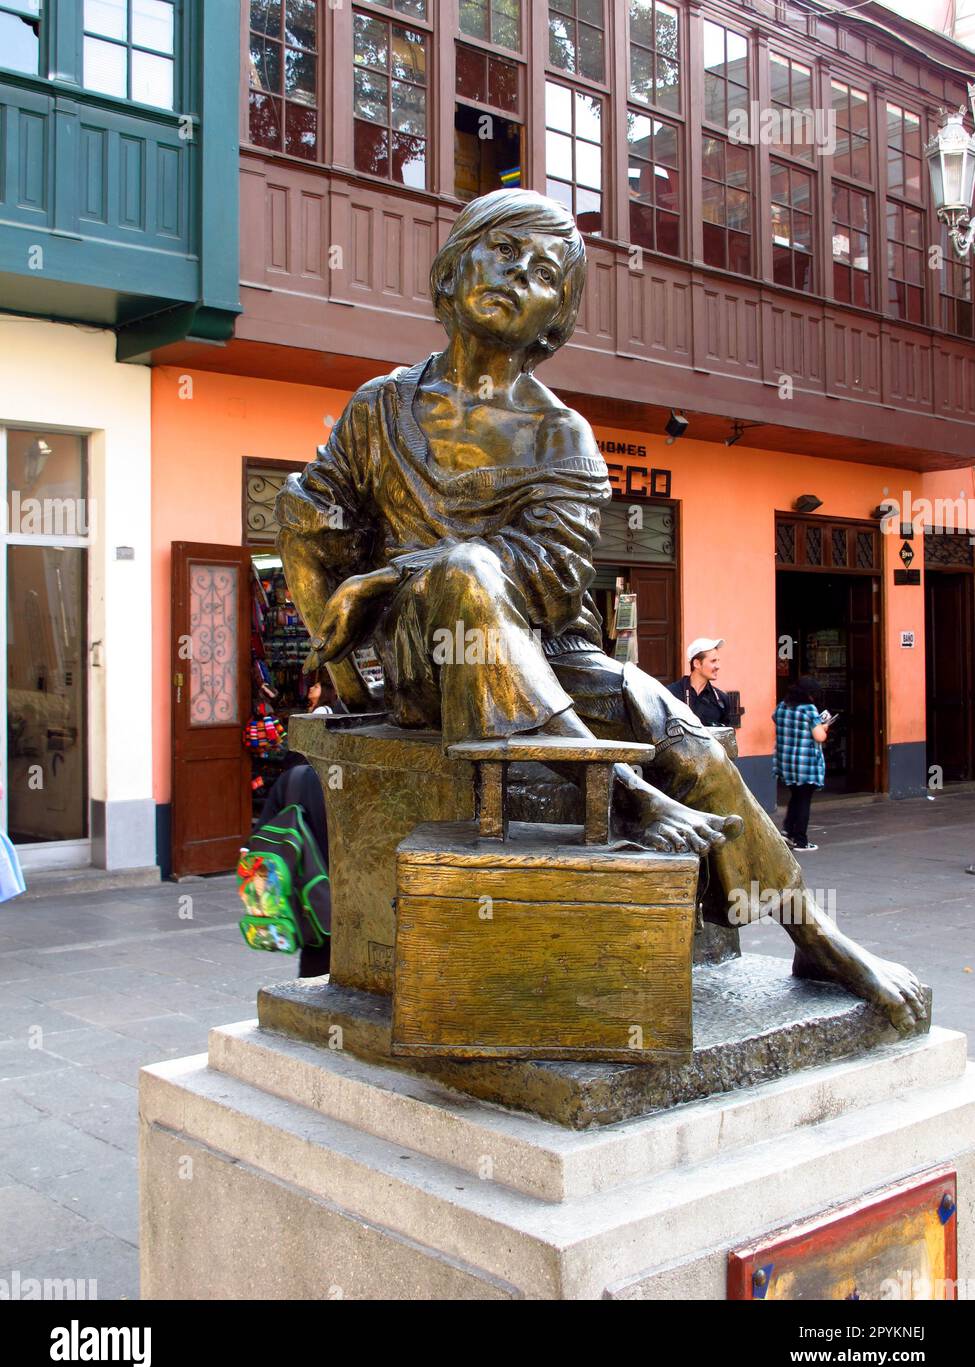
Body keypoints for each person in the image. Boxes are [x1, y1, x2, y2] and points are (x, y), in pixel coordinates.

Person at [275, 187, 924, 1035]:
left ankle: (812, 930)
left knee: (681, 733)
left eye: (544, 272)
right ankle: (620, 791)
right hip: (424, 660)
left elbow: (548, 575)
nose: (517, 274)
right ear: (453, 264)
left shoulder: (561, 434)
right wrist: (339, 649)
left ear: (557, 318)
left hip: (547, 651)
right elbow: (312, 515)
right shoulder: (378, 410)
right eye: (503, 250)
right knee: (465, 574)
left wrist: (397, 571)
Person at [255, 761, 330, 978]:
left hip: (313, 907)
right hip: (363, 907)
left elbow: (262, 842)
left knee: (315, 981)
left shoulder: (296, 779)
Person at [773, 676, 828, 851]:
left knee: (796, 797)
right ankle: (801, 840)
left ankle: (787, 831)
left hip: (787, 762)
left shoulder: (782, 706)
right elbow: (820, 736)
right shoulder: (809, 709)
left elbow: (775, 718)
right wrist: (824, 726)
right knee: (804, 800)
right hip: (806, 764)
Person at [667, 638, 730, 727]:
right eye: (713, 661)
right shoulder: (671, 694)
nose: (718, 666)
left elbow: (727, 736)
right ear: (696, 663)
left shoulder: (721, 699)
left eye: (718, 661)